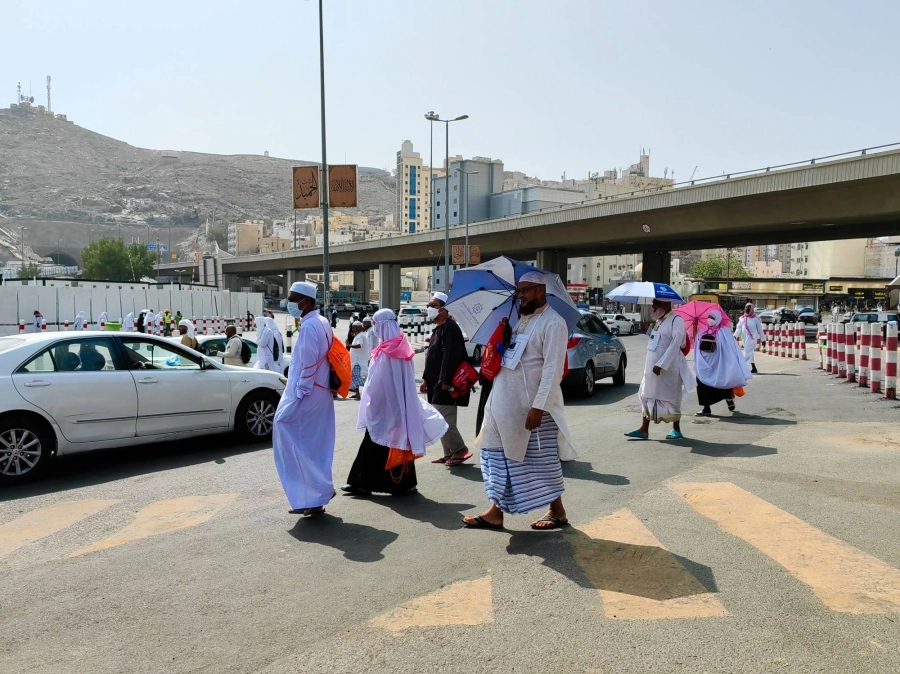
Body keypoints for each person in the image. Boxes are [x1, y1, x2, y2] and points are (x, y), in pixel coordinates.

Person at [462, 272, 577, 530]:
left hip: (532, 409)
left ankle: (557, 511)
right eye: (519, 291)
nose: (520, 296)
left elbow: (552, 369)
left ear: (540, 291)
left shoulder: (553, 323)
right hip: (503, 404)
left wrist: (539, 407)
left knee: (539, 461)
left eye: (525, 290)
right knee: (498, 456)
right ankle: (495, 512)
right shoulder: (518, 321)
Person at [342, 309, 448, 497]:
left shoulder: (394, 351)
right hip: (385, 407)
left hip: (389, 408)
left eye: (377, 325)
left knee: (385, 445)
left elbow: (386, 382)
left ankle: (377, 484)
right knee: (382, 444)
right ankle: (367, 483)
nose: (374, 329)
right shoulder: (393, 348)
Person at [273, 281, 336, 516]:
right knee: (311, 446)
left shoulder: (310, 326)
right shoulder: (321, 322)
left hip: (308, 393)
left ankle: (314, 495)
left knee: (289, 434)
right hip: (318, 392)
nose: (288, 303)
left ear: (306, 301)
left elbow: (308, 364)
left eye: (292, 298)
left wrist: (299, 394)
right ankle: (313, 498)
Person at [625, 298, 694, 440]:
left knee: (671, 397)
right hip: (651, 366)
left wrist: (661, 364)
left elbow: (675, 345)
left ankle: (676, 429)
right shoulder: (659, 321)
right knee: (646, 394)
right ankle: (644, 429)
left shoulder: (677, 321)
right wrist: (647, 330)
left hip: (668, 368)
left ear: (666, 304)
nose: (653, 306)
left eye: (655, 304)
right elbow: (657, 340)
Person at [421, 292, 471, 467]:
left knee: (442, 419)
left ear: (443, 309)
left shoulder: (451, 328)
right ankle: (449, 452)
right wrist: (426, 379)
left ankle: (459, 449)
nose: (429, 309)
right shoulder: (439, 329)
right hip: (435, 382)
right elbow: (432, 358)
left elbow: (451, 356)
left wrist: (446, 381)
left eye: (433, 305)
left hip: (445, 383)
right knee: (438, 417)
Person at [695, 310, 751, 416]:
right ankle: (706, 408)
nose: (710, 319)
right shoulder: (703, 331)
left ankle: (729, 399)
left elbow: (730, 348)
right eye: (709, 317)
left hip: (719, 363)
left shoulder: (724, 332)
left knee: (723, 380)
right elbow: (697, 345)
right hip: (705, 364)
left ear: (718, 319)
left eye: (713, 317)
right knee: (702, 382)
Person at [733, 303, 763, 374]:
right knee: (749, 353)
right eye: (746, 307)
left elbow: (760, 330)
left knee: (746, 352)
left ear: (752, 309)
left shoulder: (756, 318)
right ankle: (754, 368)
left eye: (749, 308)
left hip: (752, 338)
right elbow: (738, 328)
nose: (747, 309)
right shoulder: (742, 318)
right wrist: (734, 336)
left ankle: (742, 368)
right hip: (744, 338)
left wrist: (763, 339)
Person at [349, 321, 369, 399]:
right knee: (355, 377)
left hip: (358, 361)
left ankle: (367, 392)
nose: (353, 329)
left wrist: (349, 345)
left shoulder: (360, 336)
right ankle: (357, 393)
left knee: (359, 377)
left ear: (359, 327)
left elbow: (359, 345)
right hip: (357, 361)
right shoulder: (359, 335)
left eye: (354, 327)